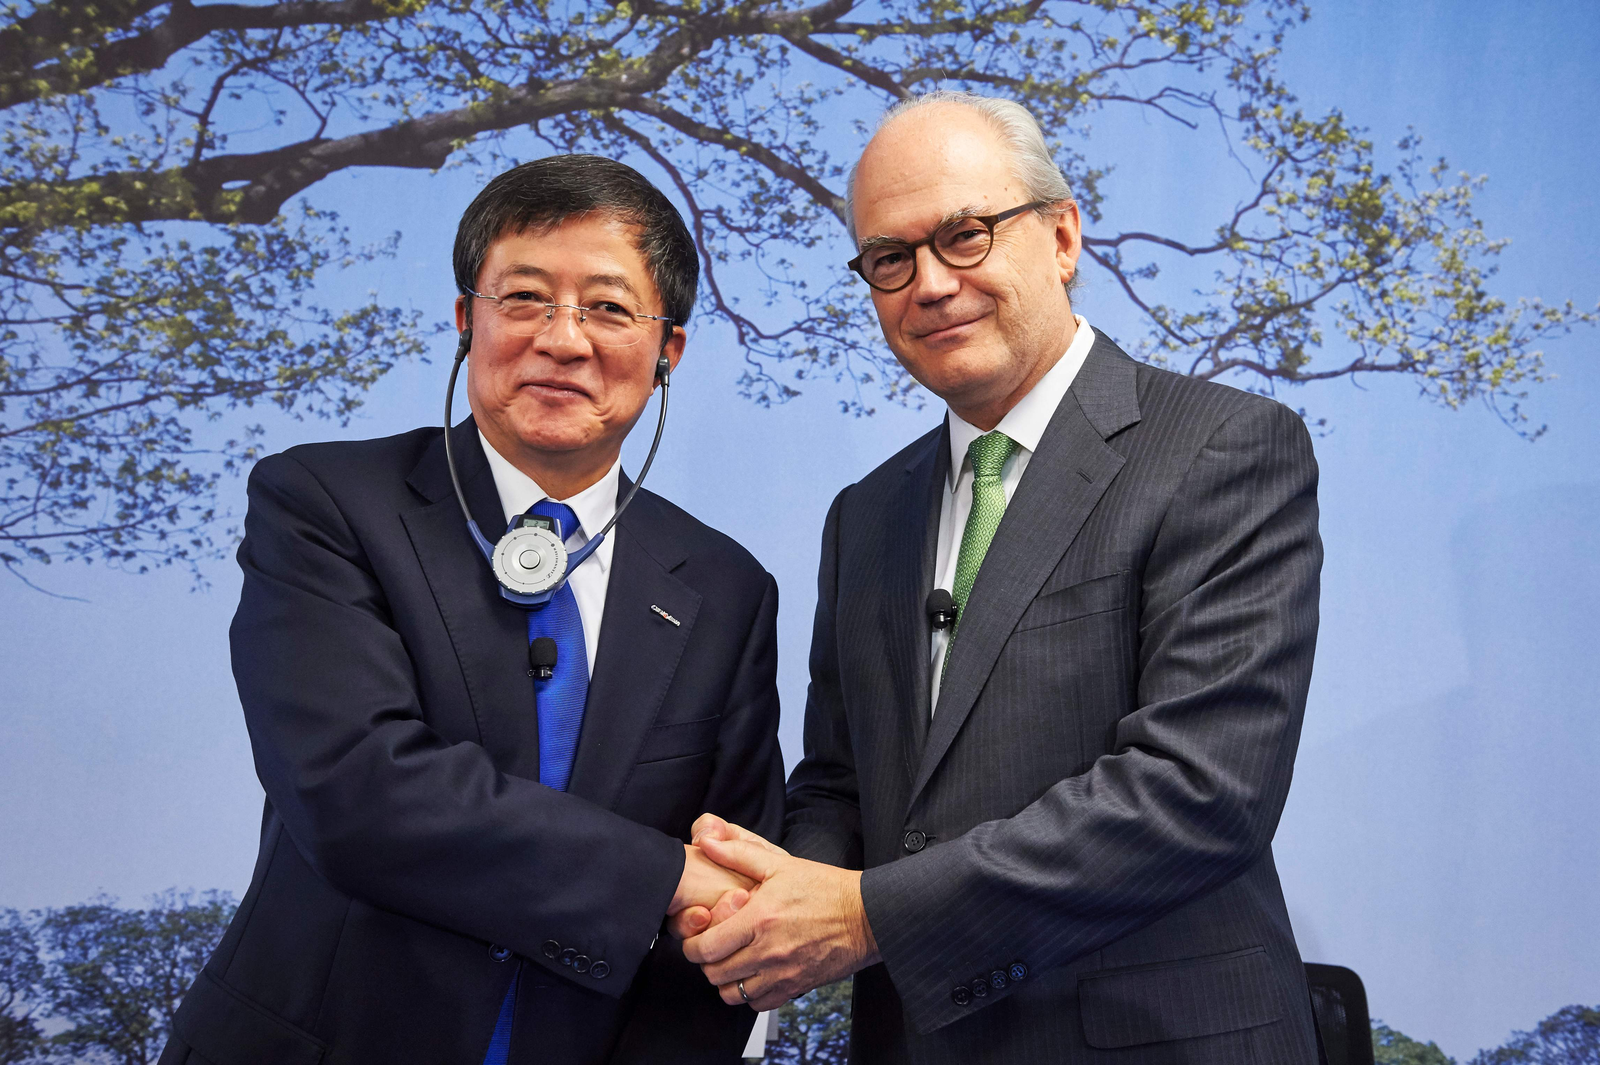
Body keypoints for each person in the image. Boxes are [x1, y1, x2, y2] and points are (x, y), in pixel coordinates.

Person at [677, 92, 1325, 1063]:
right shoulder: (867, 512)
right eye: (889, 259)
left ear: (1061, 236)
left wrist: (864, 914)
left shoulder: (1222, 447)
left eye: (965, 236)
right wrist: (774, 899)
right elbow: (839, 782)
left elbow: (1199, 792)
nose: (929, 284)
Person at [159, 155, 786, 1065]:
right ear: (466, 321)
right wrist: (660, 877)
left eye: (608, 307)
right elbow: (358, 790)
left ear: (668, 349)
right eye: (523, 297)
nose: (562, 339)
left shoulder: (726, 589)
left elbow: (725, 908)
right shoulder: (327, 502)